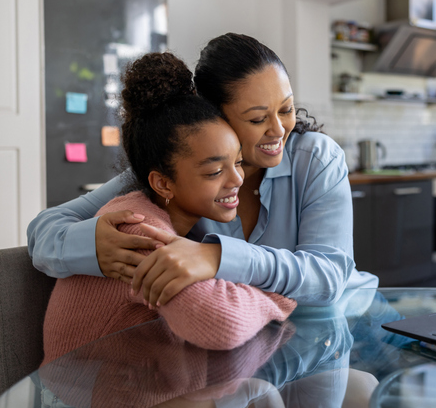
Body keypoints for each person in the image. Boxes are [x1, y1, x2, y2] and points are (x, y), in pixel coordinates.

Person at [28, 33, 377, 307]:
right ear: (215, 116)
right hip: (260, 345)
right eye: (257, 118)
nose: (279, 129)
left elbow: (328, 276)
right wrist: (95, 247)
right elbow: (44, 229)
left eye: (286, 109)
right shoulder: (177, 174)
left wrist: (215, 257)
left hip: (348, 322)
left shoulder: (315, 158)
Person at [41, 52, 296, 366]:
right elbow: (223, 325)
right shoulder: (139, 231)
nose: (237, 180)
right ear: (162, 184)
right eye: (215, 172)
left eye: (238, 163)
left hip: (146, 401)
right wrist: (280, 297)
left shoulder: (171, 218)